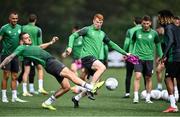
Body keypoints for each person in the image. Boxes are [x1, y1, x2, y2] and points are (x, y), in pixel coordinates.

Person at [0, 32, 98, 110]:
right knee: (71, 75)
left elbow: (41, 47)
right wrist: (1, 64)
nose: (29, 38)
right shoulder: (21, 48)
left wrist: (51, 42)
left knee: (66, 87)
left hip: (50, 65)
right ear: (21, 41)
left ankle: (47, 103)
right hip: (51, 63)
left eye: (29, 37)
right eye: (26, 38)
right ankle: (90, 87)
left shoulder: (30, 47)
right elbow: (10, 57)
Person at [65, 13, 130, 107]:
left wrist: (125, 53)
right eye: (97, 22)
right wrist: (70, 47)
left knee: (95, 82)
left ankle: (76, 98)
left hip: (93, 58)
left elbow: (112, 44)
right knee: (102, 68)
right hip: (86, 57)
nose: (98, 24)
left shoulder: (102, 34)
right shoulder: (87, 29)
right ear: (93, 21)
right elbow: (72, 36)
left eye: (100, 22)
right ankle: (91, 87)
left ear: (102, 23)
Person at [130, 15, 163, 104]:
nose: (145, 25)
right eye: (144, 23)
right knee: (137, 76)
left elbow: (158, 44)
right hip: (137, 58)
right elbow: (132, 42)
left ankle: (148, 98)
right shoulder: (136, 32)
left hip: (149, 58)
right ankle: (136, 97)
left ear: (150, 23)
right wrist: (130, 52)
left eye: (147, 23)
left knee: (148, 78)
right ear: (141, 23)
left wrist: (161, 55)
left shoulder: (154, 33)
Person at [17, 13, 48, 96]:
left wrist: (20, 53)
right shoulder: (38, 29)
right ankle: (40, 88)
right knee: (40, 69)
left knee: (26, 72)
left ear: (28, 20)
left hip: (26, 52)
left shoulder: (23, 27)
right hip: (35, 52)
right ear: (35, 20)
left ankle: (25, 90)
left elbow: (20, 40)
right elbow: (40, 43)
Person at [0, 11, 27, 103]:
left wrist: (22, 48)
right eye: (13, 18)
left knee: (15, 76)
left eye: (16, 18)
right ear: (9, 19)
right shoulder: (4, 28)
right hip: (6, 55)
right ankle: (4, 96)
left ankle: (14, 96)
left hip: (15, 55)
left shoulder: (20, 28)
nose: (15, 20)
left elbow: (21, 40)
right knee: (6, 76)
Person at [158, 10, 179, 112]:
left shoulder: (168, 27)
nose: (158, 19)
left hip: (173, 57)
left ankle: (173, 106)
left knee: (168, 78)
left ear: (164, 17)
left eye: (160, 17)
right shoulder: (176, 27)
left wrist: (164, 55)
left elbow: (171, 41)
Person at [122, 16, 142, 98]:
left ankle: (127, 93)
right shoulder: (145, 30)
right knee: (144, 75)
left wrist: (124, 52)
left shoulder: (130, 31)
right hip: (141, 55)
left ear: (134, 22)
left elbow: (126, 43)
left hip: (131, 55)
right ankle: (147, 93)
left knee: (129, 74)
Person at [155, 26, 165, 91]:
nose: (157, 32)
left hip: (172, 57)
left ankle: (175, 88)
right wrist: (159, 57)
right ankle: (159, 87)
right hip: (164, 57)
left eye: (158, 30)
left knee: (173, 74)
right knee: (158, 70)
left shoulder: (169, 34)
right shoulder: (161, 37)